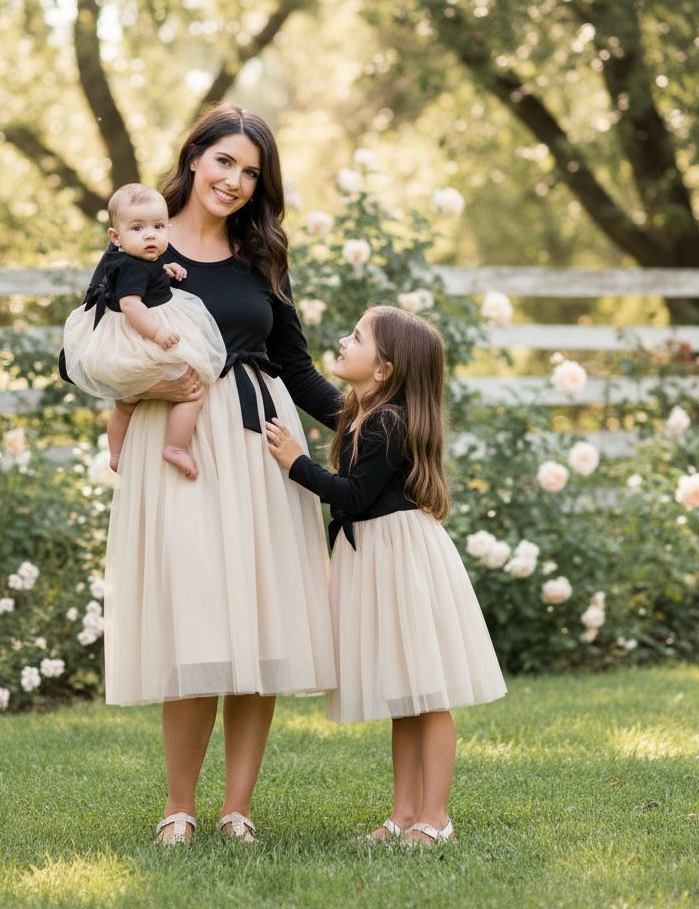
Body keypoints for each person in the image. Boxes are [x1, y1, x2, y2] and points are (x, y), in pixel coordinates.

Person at [98, 104, 341, 846]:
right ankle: (180, 806)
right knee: (194, 618)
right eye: (225, 161)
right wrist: (153, 386)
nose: (234, 181)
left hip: (258, 443)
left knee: (257, 619)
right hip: (177, 448)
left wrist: (375, 427)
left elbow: (296, 366)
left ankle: (238, 808)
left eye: (251, 172)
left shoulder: (261, 254)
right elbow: (90, 350)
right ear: (195, 157)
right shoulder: (142, 235)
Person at [265, 305, 507, 846]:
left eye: (356, 338)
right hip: (376, 556)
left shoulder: (389, 423)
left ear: (383, 370)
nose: (343, 342)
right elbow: (304, 381)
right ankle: (402, 815)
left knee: (428, 694)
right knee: (404, 694)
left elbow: (353, 495)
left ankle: (436, 818)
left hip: (402, 560)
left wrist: (296, 462)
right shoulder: (362, 412)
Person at [61, 183, 226, 479]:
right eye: (137, 228)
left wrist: (166, 269)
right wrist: (158, 333)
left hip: (129, 340)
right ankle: (175, 447)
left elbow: (147, 276)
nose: (150, 235)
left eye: (158, 227)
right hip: (142, 336)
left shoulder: (135, 260)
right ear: (116, 237)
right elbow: (130, 304)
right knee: (191, 394)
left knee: (125, 405)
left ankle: (115, 454)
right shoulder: (133, 268)